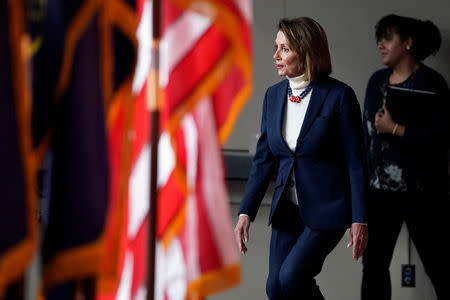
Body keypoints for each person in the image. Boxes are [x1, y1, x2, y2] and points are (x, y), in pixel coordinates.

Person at [233, 17, 368, 300]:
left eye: (284, 48)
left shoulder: (339, 96)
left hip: (327, 208)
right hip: (287, 210)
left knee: (292, 276)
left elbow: (356, 163)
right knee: (275, 288)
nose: (276, 56)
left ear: (306, 51)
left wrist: (360, 218)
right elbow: (263, 161)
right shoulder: (273, 96)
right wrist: (245, 211)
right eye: (276, 47)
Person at [361, 14, 450, 300]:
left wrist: (396, 129)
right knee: (373, 264)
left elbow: (441, 138)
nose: (381, 45)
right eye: (380, 39)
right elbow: (367, 135)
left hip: (422, 191)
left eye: (388, 38)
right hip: (379, 192)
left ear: (408, 43)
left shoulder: (432, 83)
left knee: (439, 265)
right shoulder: (376, 82)